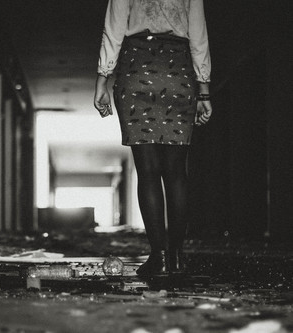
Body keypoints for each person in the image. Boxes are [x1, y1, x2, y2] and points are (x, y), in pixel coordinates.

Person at [94, 0, 212, 276]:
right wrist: (203, 89)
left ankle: (158, 258)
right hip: (178, 71)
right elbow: (198, 34)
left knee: (147, 172)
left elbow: (113, 29)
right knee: (176, 173)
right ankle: (178, 258)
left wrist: (102, 77)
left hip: (136, 67)